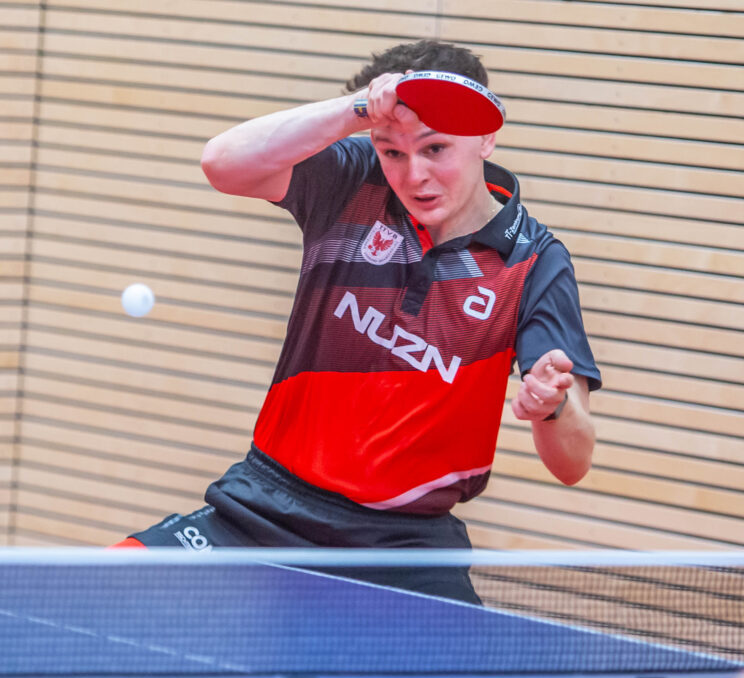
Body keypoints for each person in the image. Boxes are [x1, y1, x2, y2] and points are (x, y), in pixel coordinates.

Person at [113, 40, 602, 604]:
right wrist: (357, 110)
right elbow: (222, 163)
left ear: (485, 137)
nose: (414, 175)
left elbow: (573, 463)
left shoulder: (534, 263)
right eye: (392, 151)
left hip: (402, 548)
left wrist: (551, 407)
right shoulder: (352, 183)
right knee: (92, 591)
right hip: (264, 510)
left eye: (435, 148)